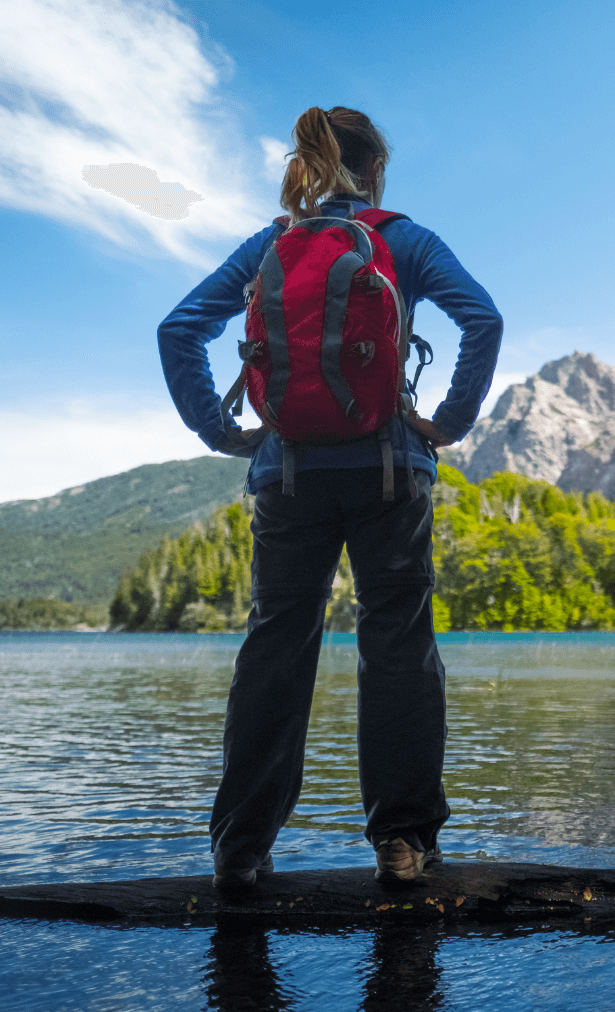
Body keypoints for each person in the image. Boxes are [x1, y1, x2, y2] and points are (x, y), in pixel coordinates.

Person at [158, 106, 502, 888]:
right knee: (398, 645)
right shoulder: (404, 239)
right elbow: (482, 318)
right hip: (389, 472)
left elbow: (178, 330)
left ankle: (240, 848)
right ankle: (402, 844)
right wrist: (447, 422)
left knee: (275, 647)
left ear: (310, 166)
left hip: (287, 475)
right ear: (375, 170)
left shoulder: (270, 244)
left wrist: (222, 430)